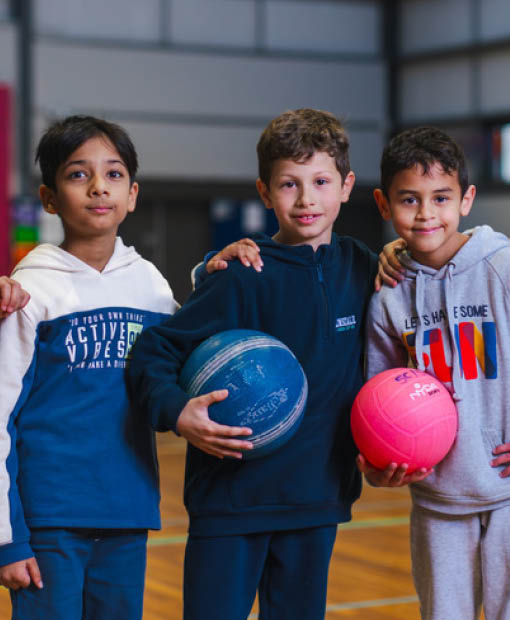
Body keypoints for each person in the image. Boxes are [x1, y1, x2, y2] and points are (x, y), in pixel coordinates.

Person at [126, 108, 378, 620]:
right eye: (289, 184)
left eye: (321, 181)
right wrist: (177, 412)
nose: (307, 199)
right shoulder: (242, 273)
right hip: (231, 502)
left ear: (347, 186)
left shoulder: (363, 267)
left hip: (316, 500)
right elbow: (153, 352)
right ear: (264, 193)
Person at [364, 126, 510, 620]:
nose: (427, 213)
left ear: (467, 199)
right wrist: (374, 460)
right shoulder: (388, 295)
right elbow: (375, 396)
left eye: (441, 198)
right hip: (436, 497)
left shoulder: (505, 269)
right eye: (409, 199)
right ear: (384, 204)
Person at [0, 116, 178, 619]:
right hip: (48, 521)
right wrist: (7, 539)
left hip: (127, 513)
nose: (99, 187)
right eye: (78, 174)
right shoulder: (30, 291)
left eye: (114, 174)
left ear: (133, 194)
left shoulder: (153, 288)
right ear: (50, 198)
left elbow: (188, 363)